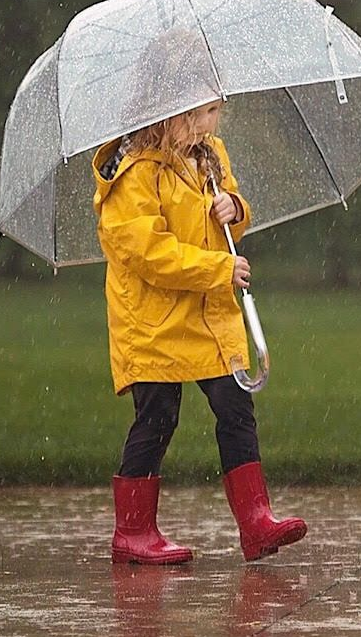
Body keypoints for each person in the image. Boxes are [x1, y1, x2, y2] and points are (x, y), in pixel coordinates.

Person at [91, 98, 307, 564]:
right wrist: (218, 269)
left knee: (236, 407)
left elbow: (226, 227)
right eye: (204, 112)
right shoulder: (133, 173)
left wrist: (236, 207)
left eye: (215, 110)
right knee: (157, 417)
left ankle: (256, 523)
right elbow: (148, 253)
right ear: (172, 112)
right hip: (152, 320)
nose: (214, 121)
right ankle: (133, 530)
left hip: (210, 315)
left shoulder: (210, 157)